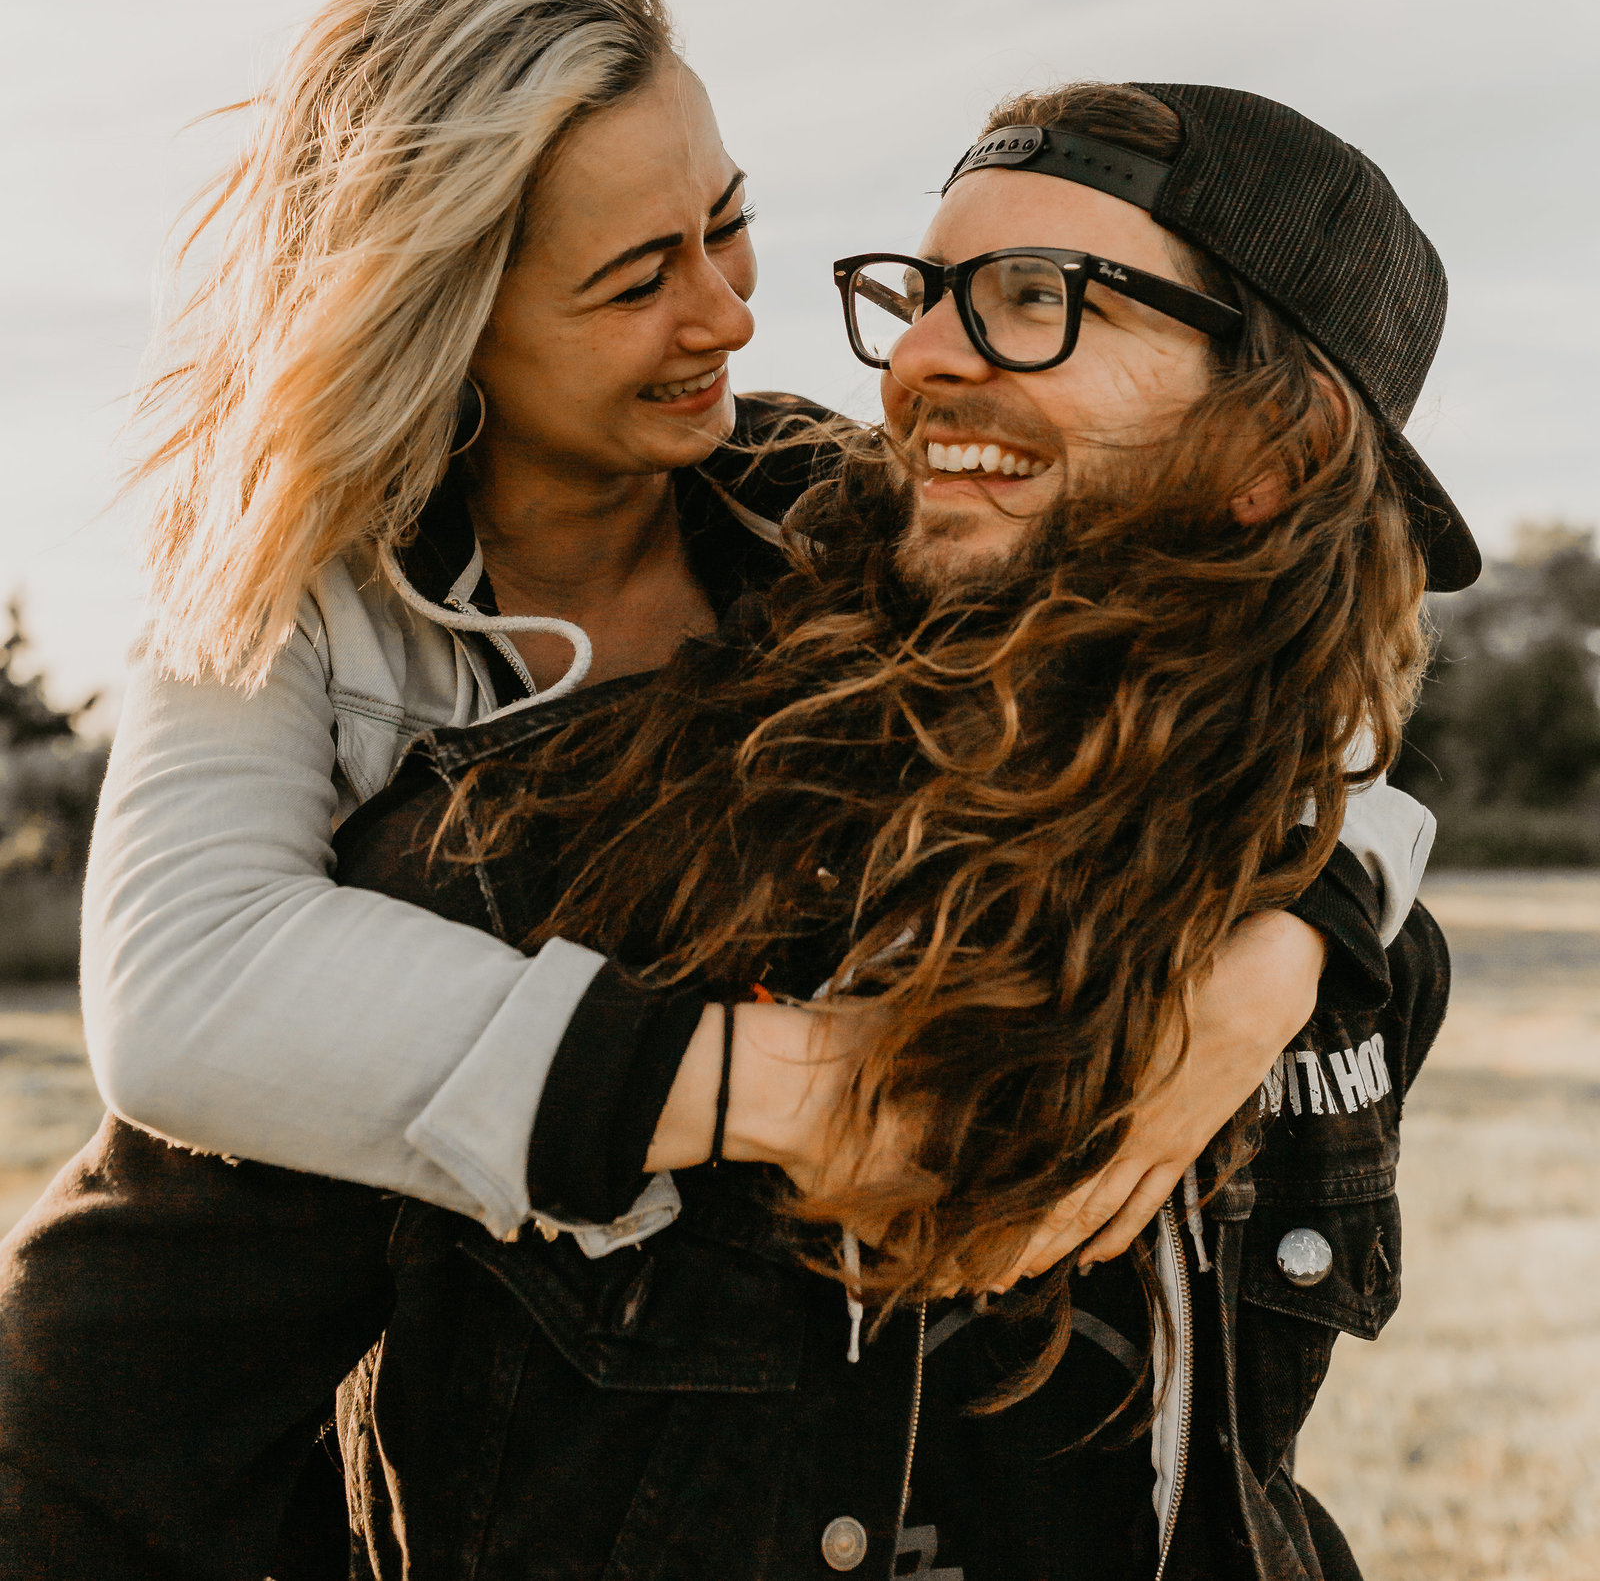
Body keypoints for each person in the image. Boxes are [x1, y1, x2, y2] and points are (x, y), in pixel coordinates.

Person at [0, 80, 1464, 1579]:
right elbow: (90, 1408)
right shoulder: (567, 846)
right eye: (934, 291)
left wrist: (1298, 924)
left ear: (1274, 457)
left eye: (1037, 298)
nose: (921, 360)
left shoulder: (1348, 959)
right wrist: (787, 1088)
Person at [78, 0, 1426, 1263]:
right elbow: (182, 991)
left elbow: (1227, 647)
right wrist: (792, 1087)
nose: (726, 313)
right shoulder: (276, 588)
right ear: (440, 320)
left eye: (729, 226)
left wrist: (1299, 931)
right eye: (636, 279)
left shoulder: (832, 513)